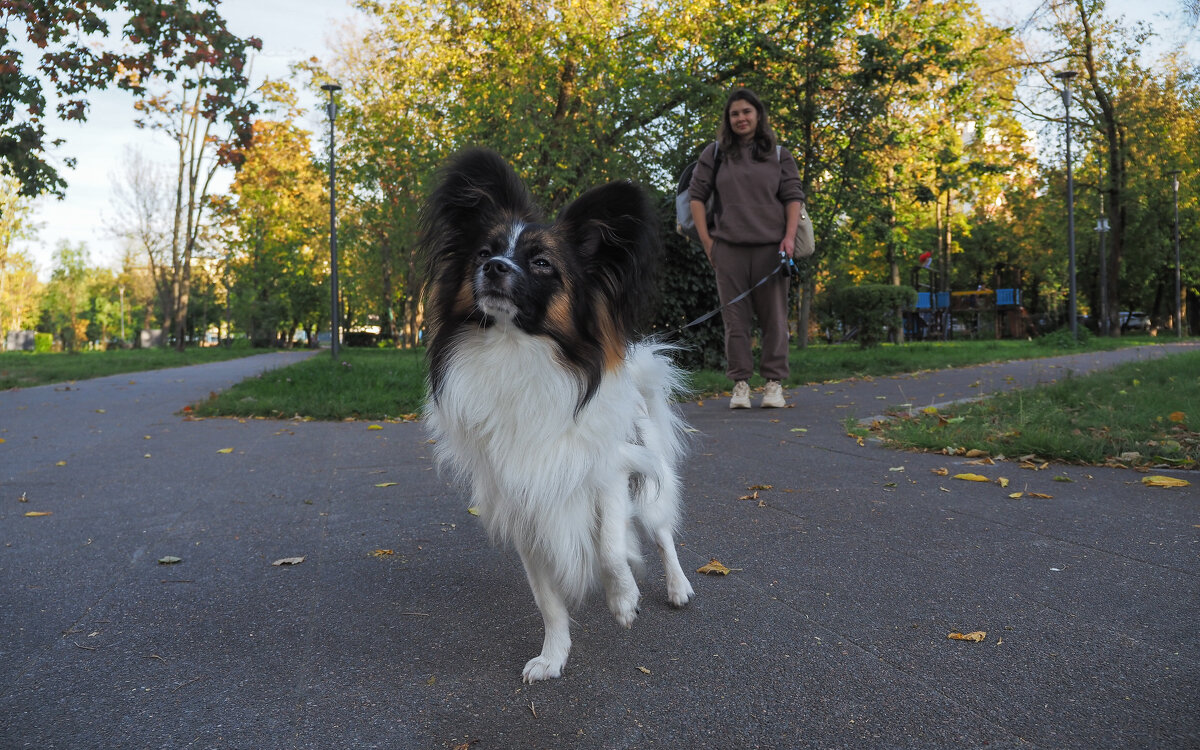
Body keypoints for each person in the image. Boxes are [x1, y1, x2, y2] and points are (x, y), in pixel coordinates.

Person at [688, 87, 805, 409]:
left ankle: (773, 385)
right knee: (735, 322)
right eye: (734, 113)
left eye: (746, 112)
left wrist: (789, 238)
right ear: (728, 119)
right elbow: (696, 197)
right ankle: (740, 385)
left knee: (775, 321)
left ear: (758, 115)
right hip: (729, 249)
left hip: (772, 249)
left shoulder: (779, 155)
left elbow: (793, 197)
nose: (741, 118)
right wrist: (708, 242)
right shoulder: (715, 154)